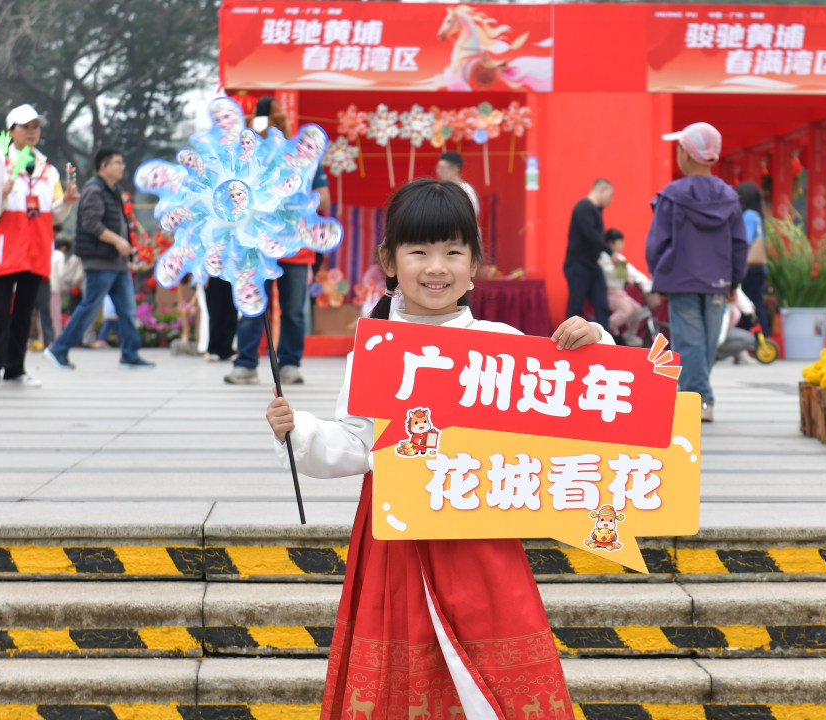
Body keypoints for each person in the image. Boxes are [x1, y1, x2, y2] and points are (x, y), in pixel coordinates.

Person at [265, 179, 611, 719]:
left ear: (475, 264)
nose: (437, 267)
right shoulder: (375, 348)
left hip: (481, 539)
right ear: (389, 260)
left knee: (494, 678)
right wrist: (301, 430)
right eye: (419, 250)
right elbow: (356, 442)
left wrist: (594, 346)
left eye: (453, 251)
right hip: (397, 543)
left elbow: (578, 407)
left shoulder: (501, 344)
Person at [225, 96, 330, 385]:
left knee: (293, 311)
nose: (267, 130)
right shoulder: (247, 160)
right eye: (262, 126)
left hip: (295, 248)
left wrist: (290, 196)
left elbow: (326, 198)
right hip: (256, 247)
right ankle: (245, 363)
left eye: (272, 124)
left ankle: (290, 364)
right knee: (251, 304)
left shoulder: (304, 160)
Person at [646, 122, 747, 423]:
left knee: (690, 341)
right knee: (705, 342)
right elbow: (739, 243)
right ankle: (697, 396)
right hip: (718, 281)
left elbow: (656, 242)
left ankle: (698, 400)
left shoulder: (672, 195)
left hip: (681, 279)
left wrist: (658, 274)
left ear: (687, 155)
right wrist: (734, 281)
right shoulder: (728, 196)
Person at [0, 104, 79, 389]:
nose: (32, 132)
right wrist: (1, 191)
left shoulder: (49, 170)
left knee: (25, 312)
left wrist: (68, 202)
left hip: (36, 249)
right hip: (4, 247)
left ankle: (15, 368)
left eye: (36, 126)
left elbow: (55, 214)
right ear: (11, 131)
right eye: (26, 126)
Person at [45, 148, 153, 371]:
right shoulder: (94, 190)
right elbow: (91, 224)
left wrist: (127, 248)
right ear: (103, 166)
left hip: (117, 262)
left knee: (127, 308)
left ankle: (130, 353)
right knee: (90, 307)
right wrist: (117, 242)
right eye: (117, 163)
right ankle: (59, 349)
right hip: (100, 261)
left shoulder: (112, 190)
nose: (122, 167)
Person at [564, 178, 614, 332]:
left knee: (602, 306)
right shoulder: (584, 206)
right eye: (610, 196)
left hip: (593, 266)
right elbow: (591, 234)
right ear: (602, 190)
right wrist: (611, 252)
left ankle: (604, 342)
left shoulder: (596, 210)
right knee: (575, 307)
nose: (610, 201)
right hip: (578, 265)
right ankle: (567, 344)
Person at [598, 228, 654, 346]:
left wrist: (644, 280)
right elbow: (608, 272)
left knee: (637, 309)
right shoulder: (603, 256)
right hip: (608, 292)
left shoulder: (620, 258)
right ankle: (602, 329)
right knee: (626, 309)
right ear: (611, 243)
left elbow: (630, 271)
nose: (622, 245)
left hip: (620, 293)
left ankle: (630, 335)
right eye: (620, 242)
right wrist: (623, 274)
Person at [735, 182, 769, 335]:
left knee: (749, 304)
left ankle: (754, 337)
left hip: (749, 268)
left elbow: (745, 240)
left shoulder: (748, 215)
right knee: (756, 303)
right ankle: (760, 337)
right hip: (758, 268)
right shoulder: (757, 215)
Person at [435, 151, 479, 215]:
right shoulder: (439, 188)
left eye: (442, 168)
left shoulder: (465, 190)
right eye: (438, 167)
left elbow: (471, 215)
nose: (438, 171)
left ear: (455, 169)